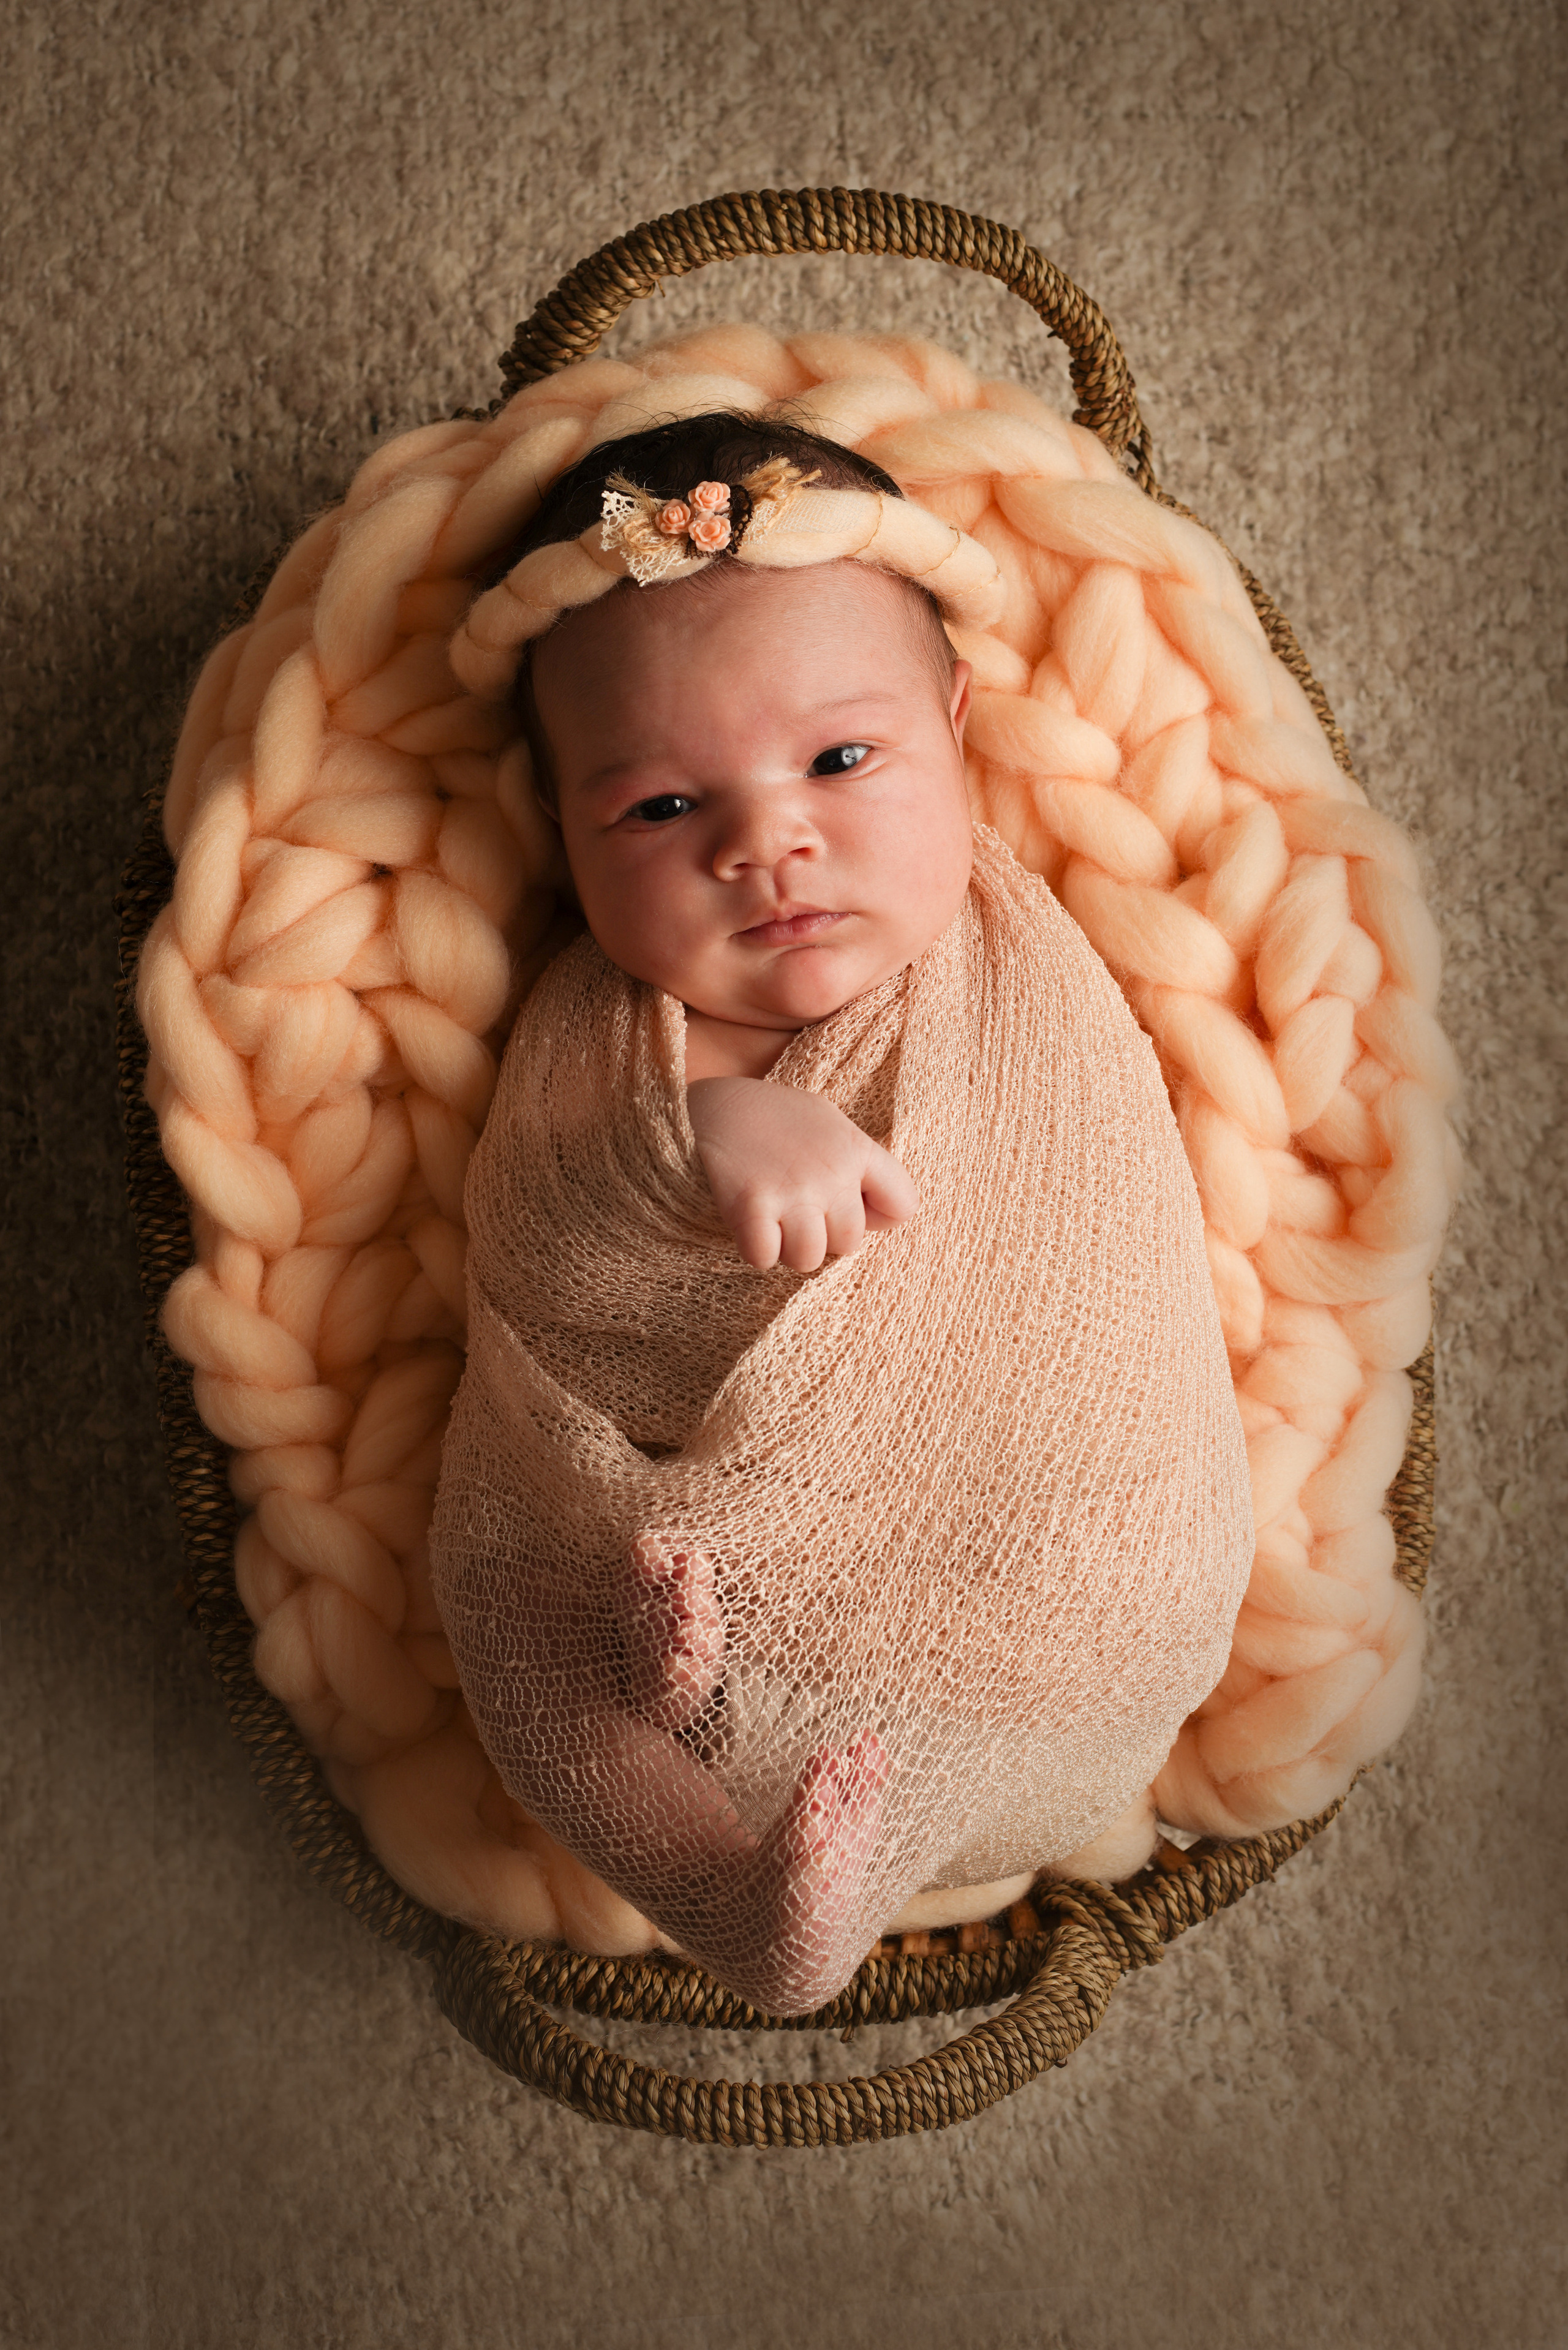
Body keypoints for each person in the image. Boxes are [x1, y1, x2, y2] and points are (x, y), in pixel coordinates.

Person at [429, 415, 1252, 2011]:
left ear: (953, 725)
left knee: (1119, 1546)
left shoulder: (1016, 966)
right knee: (519, 1641)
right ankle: (738, 1899)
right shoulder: (610, 1030)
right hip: (660, 1564)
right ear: (560, 828)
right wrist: (694, 1138)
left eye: (839, 761)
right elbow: (540, 1230)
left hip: (1050, 1571)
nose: (764, 843)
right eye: (660, 811)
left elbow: (1102, 1240)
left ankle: (748, 1722)